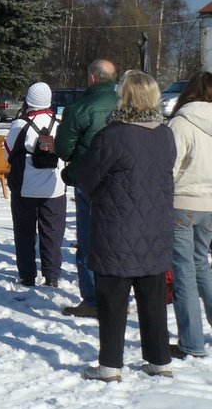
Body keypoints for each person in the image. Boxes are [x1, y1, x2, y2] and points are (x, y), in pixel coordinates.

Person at [75, 70, 175, 382]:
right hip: (155, 228)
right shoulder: (165, 134)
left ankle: (109, 367)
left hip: (117, 230)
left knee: (113, 302)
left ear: (125, 97)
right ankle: (160, 361)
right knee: (152, 300)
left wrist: (73, 175)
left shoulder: (113, 135)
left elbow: (88, 177)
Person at [54, 58, 118, 318]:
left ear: (92, 77)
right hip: (123, 180)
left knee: (88, 239)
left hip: (88, 180)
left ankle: (92, 298)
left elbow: (63, 148)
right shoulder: (127, 105)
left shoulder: (80, 108)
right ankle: (116, 295)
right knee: (118, 238)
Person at [166, 71, 212, 359]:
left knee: (184, 272)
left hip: (183, 202)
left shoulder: (181, 123)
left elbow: (168, 167)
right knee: (202, 265)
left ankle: (192, 342)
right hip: (209, 204)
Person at [4, 82, 66, 287]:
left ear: (28, 100)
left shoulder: (19, 124)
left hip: (25, 187)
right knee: (53, 232)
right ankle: (52, 276)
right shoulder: (60, 122)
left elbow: (8, 153)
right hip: (54, 187)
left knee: (24, 233)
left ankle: (27, 275)